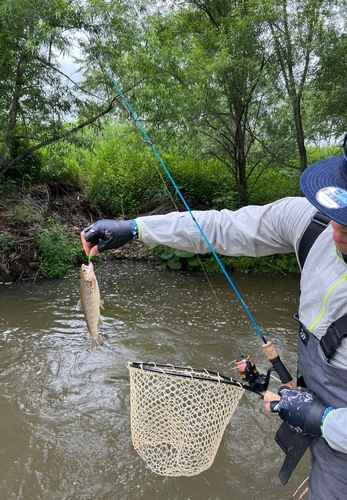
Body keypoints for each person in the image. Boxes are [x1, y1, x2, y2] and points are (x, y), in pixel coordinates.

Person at [80, 137, 347, 500]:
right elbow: (224, 227)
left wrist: (327, 421)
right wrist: (137, 228)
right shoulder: (312, 221)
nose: (337, 227)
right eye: (339, 204)